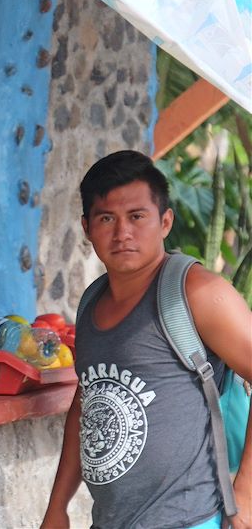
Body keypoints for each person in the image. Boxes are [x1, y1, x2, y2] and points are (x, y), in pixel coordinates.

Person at [40, 150, 252, 529]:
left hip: (192, 519)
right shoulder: (92, 302)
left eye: (137, 217)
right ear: (87, 227)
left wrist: (247, 494)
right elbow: (88, 399)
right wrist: (58, 506)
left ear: (165, 221)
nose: (122, 233)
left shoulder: (197, 293)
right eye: (107, 218)